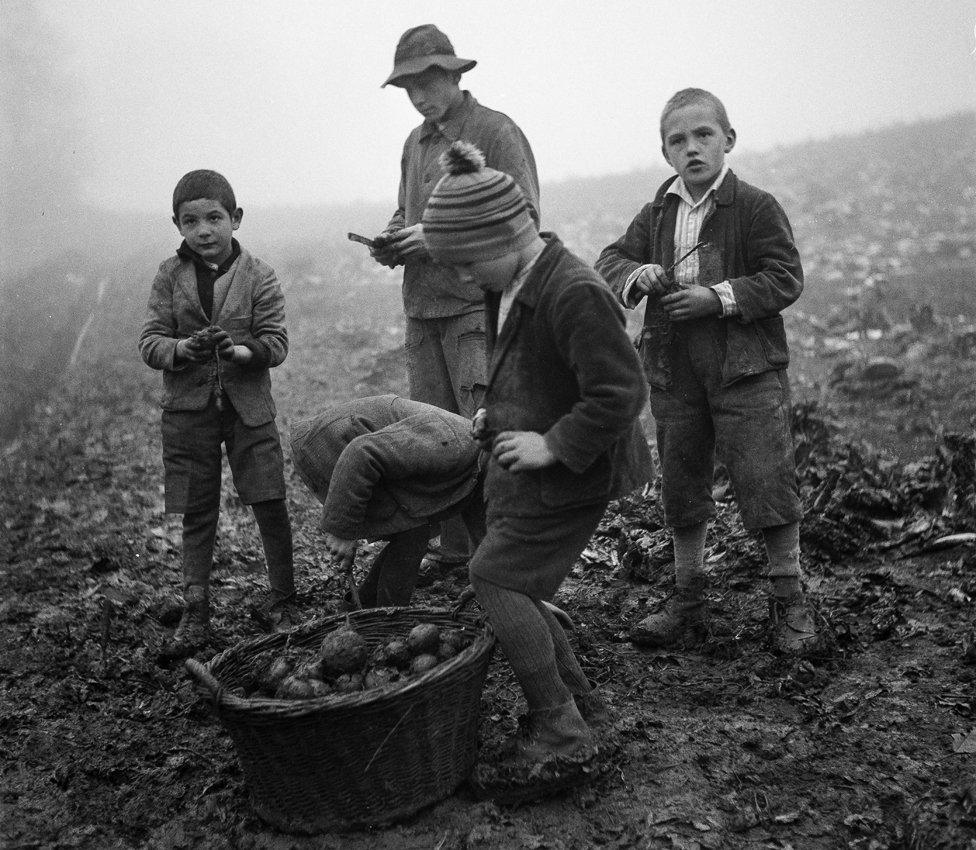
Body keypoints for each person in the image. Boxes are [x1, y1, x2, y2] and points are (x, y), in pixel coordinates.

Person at [421, 141, 652, 800]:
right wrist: (496, 411)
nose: (466, 281)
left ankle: (562, 733)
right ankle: (581, 705)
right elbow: (530, 364)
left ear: (503, 235)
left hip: (582, 466)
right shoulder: (517, 278)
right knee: (509, 579)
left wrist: (553, 445)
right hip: (543, 458)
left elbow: (619, 393)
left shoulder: (574, 290)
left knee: (495, 580)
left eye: (467, 266)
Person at [594, 88, 817, 654]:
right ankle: (689, 600)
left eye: (703, 136)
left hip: (744, 367)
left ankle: (789, 600)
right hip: (674, 371)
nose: (691, 148)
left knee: (766, 474)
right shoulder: (657, 212)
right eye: (678, 140)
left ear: (728, 141)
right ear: (666, 152)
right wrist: (639, 273)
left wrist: (717, 299)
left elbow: (784, 277)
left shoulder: (755, 207)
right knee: (683, 478)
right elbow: (609, 261)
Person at [371, 24, 540, 571]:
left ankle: (505, 554)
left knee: (484, 429)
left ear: (454, 73)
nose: (419, 95)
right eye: (408, 87)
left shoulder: (495, 131)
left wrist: (439, 235)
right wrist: (394, 239)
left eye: (428, 80)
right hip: (423, 310)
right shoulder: (415, 143)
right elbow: (408, 212)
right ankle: (455, 554)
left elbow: (526, 220)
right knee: (433, 438)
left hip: (476, 309)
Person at [139, 169, 295, 663]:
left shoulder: (259, 274)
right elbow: (150, 341)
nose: (204, 230)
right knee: (196, 508)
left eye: (214, 218)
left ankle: (283, 599)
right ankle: (196, 608)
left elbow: (276, 343)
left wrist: (240, 352)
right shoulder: (169, 275)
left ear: (236, 219)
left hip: (249, 410)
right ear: (177, 226)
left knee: (269, 499)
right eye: (191, 221)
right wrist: (183, 348)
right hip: (188, 412)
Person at [288, 394, 486, 607]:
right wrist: (341, 530)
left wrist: (487, 583)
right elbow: (360, 453)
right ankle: (387, 621)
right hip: (330, 442)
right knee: (411, 534)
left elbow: (487, 540)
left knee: (412, 533)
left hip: (359, 448)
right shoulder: (453, 445)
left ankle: (368, 611)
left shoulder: (479, 473)